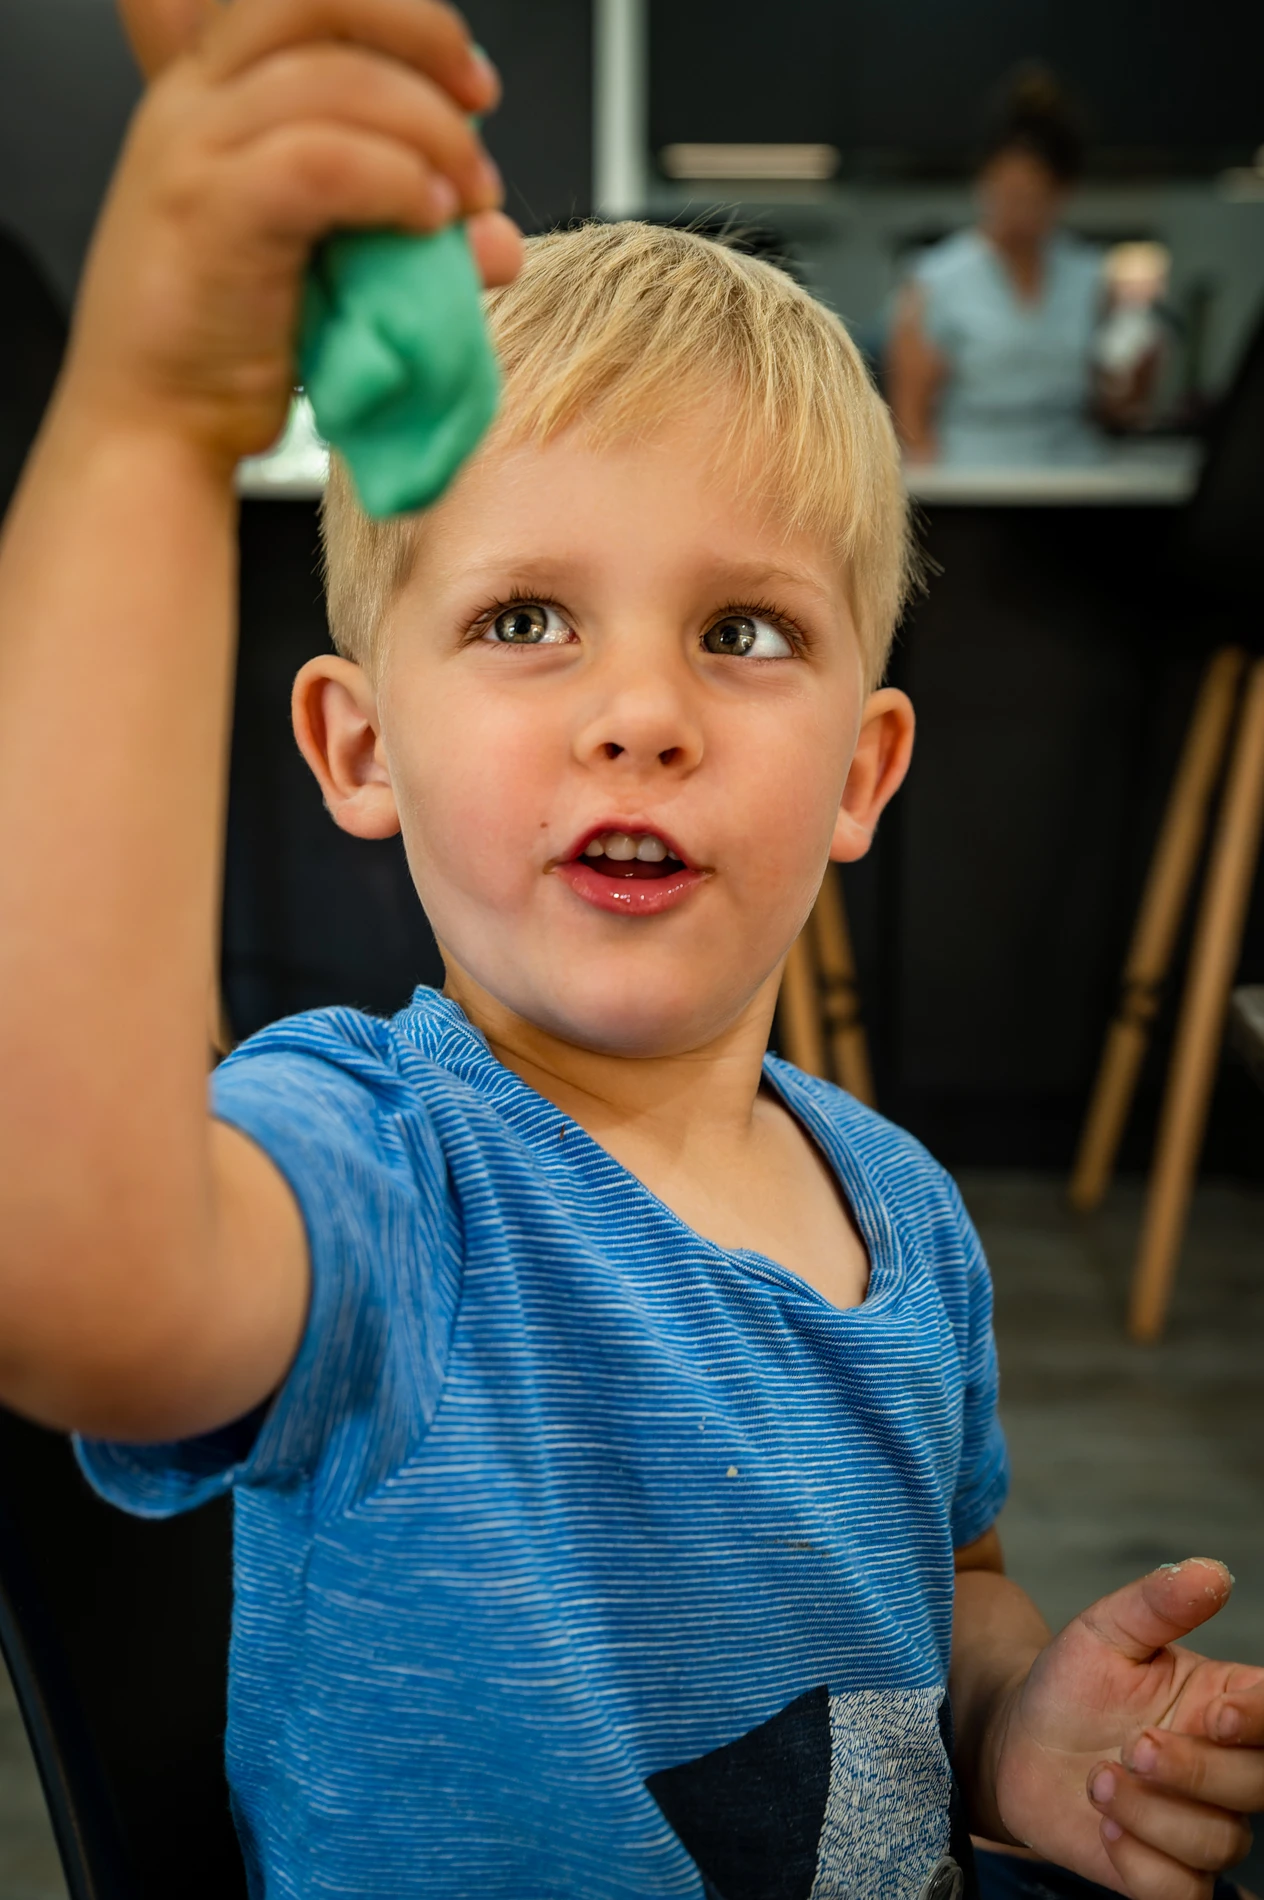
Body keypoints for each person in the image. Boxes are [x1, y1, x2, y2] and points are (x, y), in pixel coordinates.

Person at [0, 3, 1259, 1896]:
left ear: (862, 767)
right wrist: (149, 434)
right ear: (356, 745)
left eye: (741, 635)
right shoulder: (377, 1169)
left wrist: (1019, 1729)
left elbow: (950, 1589)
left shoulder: (906, 1214)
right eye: (523, 620)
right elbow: (70, 1271)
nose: (640, 714)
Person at [887, 70, 1155, 466]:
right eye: (1009, 193)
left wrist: (1137, 381)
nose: (1018, 210)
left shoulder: (1090, 275)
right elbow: (911, 418)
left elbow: (1114, 403)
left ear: (1060, 195)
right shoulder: (936, 279)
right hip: (972, 476)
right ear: (985, 183)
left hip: (1075, 471)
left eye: (1033, 196)